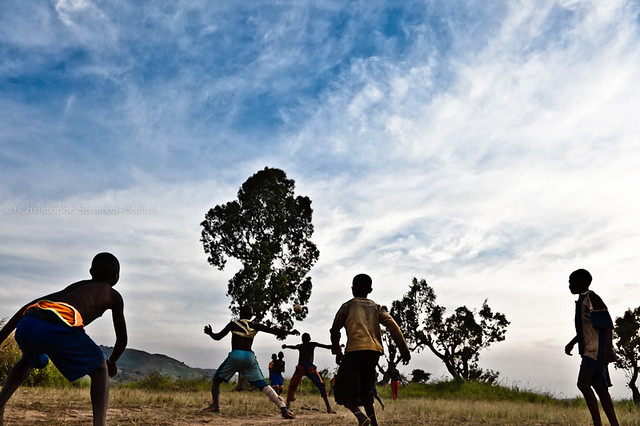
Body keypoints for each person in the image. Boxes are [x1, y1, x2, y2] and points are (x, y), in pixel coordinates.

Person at [0, 252, 127, 426]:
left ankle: (0, 405)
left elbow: (31, 304)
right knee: (99, 368)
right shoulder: (113, 295)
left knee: (29, 359)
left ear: (90, 271)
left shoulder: (78, 285)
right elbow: (122, 339)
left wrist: (1, 336)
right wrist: (112, 361)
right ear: (116, 276)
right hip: (58, 325)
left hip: (29, 321)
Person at [330, 273, 411, 426]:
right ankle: (374, 423)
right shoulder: (376, 307)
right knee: (366, 390)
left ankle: (361, 417)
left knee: (341, 388)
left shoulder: (348, 306)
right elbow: (393, 325)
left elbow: (335, 330)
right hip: (373, 352)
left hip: (354, 351)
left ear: (353, 289)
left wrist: (337, 351)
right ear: (370, 290)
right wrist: (404, 349)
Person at [203, 304, 298, 419]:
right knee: (263, 384)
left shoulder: (233, 324)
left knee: (217, 380)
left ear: (240, 314)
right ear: (251, 315)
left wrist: (210, 333)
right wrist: (290, 332)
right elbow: (274, 331)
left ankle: (215, 407)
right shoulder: (255, 326)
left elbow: (218, 337)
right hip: (249, 357)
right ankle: (283, 408)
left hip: (236, 355)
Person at [564, 269, 619, 426]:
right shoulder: (582, 301)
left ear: (582, 282)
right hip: (591, 350)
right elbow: (585, 328)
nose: (569, 285)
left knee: (582, 384)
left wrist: (608, 349)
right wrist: (572, 343)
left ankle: (597, 424)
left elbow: (607, 325)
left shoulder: (592, 298)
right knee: (601, 390)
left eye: (571, 281)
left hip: (595, 351)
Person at [282, 333, 334, 413]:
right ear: (309, 338)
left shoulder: (302, 345)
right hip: (307, 367)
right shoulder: (309, 345)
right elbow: (326, 346)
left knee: (293, 385)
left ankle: (287, 406)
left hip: (303, 367)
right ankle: (328, 407)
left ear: (303, 339)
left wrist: (286, 346)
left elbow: (293, 347)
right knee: (320, 385)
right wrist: (335, 345)